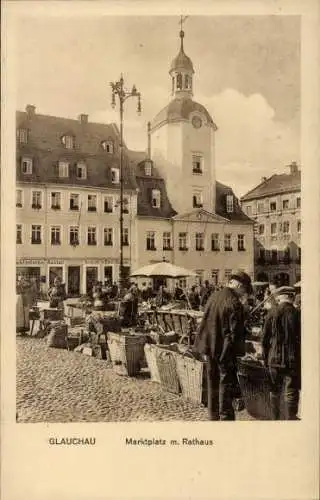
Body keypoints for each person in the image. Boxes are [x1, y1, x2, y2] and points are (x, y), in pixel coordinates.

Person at [193, 270, 252, 420]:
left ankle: (213, 415)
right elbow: (234, 334)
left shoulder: (214, 296)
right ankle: (225, 416)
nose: (244, 293)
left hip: (210, 347)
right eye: (244, 290)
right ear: (238, 285)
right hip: (224, 351)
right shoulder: (234, 302)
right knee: (226, 383)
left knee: (212, 381)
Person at [262, 286, 301, 420]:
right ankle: (291, 419)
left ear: (280, 297)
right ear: (292, 297)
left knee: (274, 391)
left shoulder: (271, 313)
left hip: (273, 359)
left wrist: (265, 358)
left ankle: (275, 419)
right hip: (292, 359)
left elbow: (264, 339)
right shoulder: (297, 314)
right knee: (291, 392)